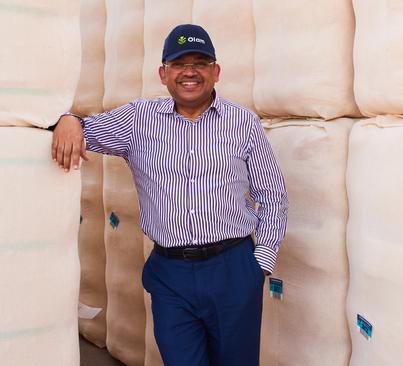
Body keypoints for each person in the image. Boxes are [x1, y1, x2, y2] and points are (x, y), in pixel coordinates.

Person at [51, 24, 288, 366]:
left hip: (233, 269)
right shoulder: (137, 120)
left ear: (215, 72)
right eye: (179, 63)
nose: (189, 72)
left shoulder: (242, 122)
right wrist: (68, 118)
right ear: (163, 74)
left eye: (200, 62)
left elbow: (273, 195)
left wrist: (260, 263)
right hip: (171, 274)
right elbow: (83, 132)